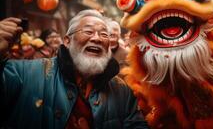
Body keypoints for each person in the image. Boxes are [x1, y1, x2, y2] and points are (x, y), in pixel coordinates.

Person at [0, 10, 148, 129]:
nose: (97, 38)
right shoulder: (24, 73)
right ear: (67, 41)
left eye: (104, 34)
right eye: (88, 32)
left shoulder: (121, 89)